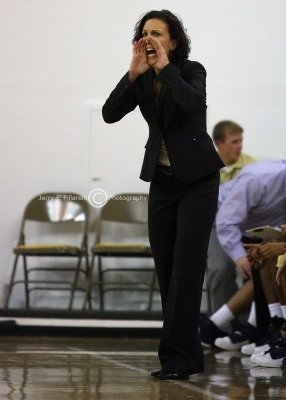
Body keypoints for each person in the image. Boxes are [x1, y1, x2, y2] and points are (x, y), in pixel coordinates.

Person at [102, 9, 224, 380]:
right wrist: (133, 73)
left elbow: (192, 105)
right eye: (144, 33)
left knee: (187, 270)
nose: (150, 39)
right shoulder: (140, 79)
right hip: (163, 181)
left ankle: (176, 360)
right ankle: (187, 357)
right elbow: (109, 114)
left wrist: (166, 67)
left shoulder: (191, 70)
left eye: (157, 33)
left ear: (172, 41)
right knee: (167, 269)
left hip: (198, 181)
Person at [207, 120, 256, 312]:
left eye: (240, 141)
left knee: (256, 270)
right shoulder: (206, 167)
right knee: (220, 270)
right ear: (218, 144)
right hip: (216, 227)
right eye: (234, 142)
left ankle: (246, 330)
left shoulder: (252, 166)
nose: (240, 146)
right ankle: (222, 329)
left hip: (248, 226)